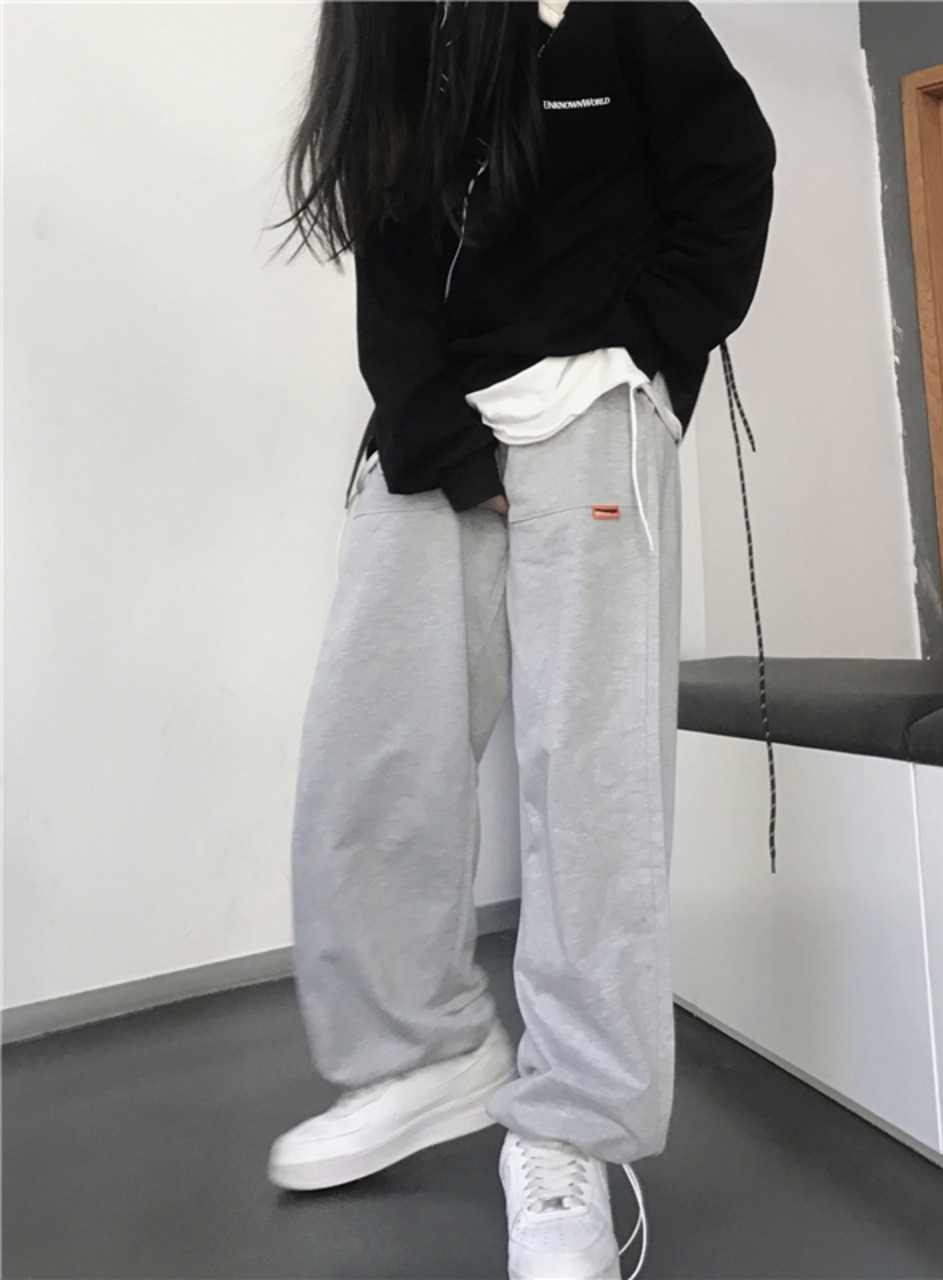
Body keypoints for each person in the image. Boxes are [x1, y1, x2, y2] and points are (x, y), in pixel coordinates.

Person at [266, 2, 774, 1276]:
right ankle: (422, 1052)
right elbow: (390, 249)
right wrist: (435, 438)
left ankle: (572, 1123)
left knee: (590, 779)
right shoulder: (391, 24)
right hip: (439, 425)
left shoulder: (623, 15)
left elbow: (729, 172)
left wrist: (639, 352)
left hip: (592, 410)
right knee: (370, 755)